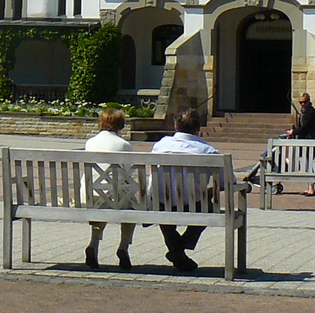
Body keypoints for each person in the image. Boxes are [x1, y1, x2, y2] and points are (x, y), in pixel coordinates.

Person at [149, 108, 218, 272]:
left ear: (176, 127)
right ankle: (180, 247)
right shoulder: (208, 151)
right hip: (193, 204)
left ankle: (176, 249)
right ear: (198, 128)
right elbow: (225, 183)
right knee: (207, 207)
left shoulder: (160, 145)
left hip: (162, 204)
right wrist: (207, 191)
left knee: (162, 206)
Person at [83, 108, 136, 271]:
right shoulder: (124, 145)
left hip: (90, 195)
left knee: (103, 199)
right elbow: (127, 172)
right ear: (121, 125)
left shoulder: (90, 142)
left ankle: (93, 244)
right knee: (131, 205)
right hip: (114, 196)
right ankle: (123, 247)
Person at [288, 92, 315, 196]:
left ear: (309, 101)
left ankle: (312, 187)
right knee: (306, 163)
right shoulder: (304, 112)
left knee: (309, 163)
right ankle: (310, 186)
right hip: (304, 139)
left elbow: (306, 126)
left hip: (309, 140)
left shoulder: (312, 112)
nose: (302, 104)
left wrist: (294, 132)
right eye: (300, 102)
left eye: (304, 102)